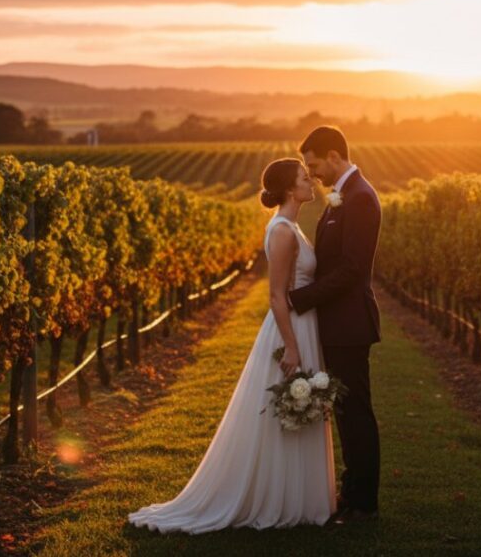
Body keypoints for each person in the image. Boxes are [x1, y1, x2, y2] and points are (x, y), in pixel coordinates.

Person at [127, 157, 336, 533]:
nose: (312, 183)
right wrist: (291, 347)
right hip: (291, 328)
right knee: (288, 410)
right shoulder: (284, 231)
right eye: (305, 178)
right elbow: (276, 296)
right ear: (290, 189)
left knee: (296, 410)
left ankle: (297, 496)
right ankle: (282, 497)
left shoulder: (290, 226)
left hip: (301, 324)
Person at [288, 125, 382, 524]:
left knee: (355, 410)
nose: (313, 174)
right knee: (345, 410)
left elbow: (351, 269)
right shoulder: (344, 196)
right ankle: (351, 491)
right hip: (338, 323)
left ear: (332, 155)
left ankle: (363, 503)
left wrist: (302, 298)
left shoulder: (360, 197)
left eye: (314, 164)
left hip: (349, 323)